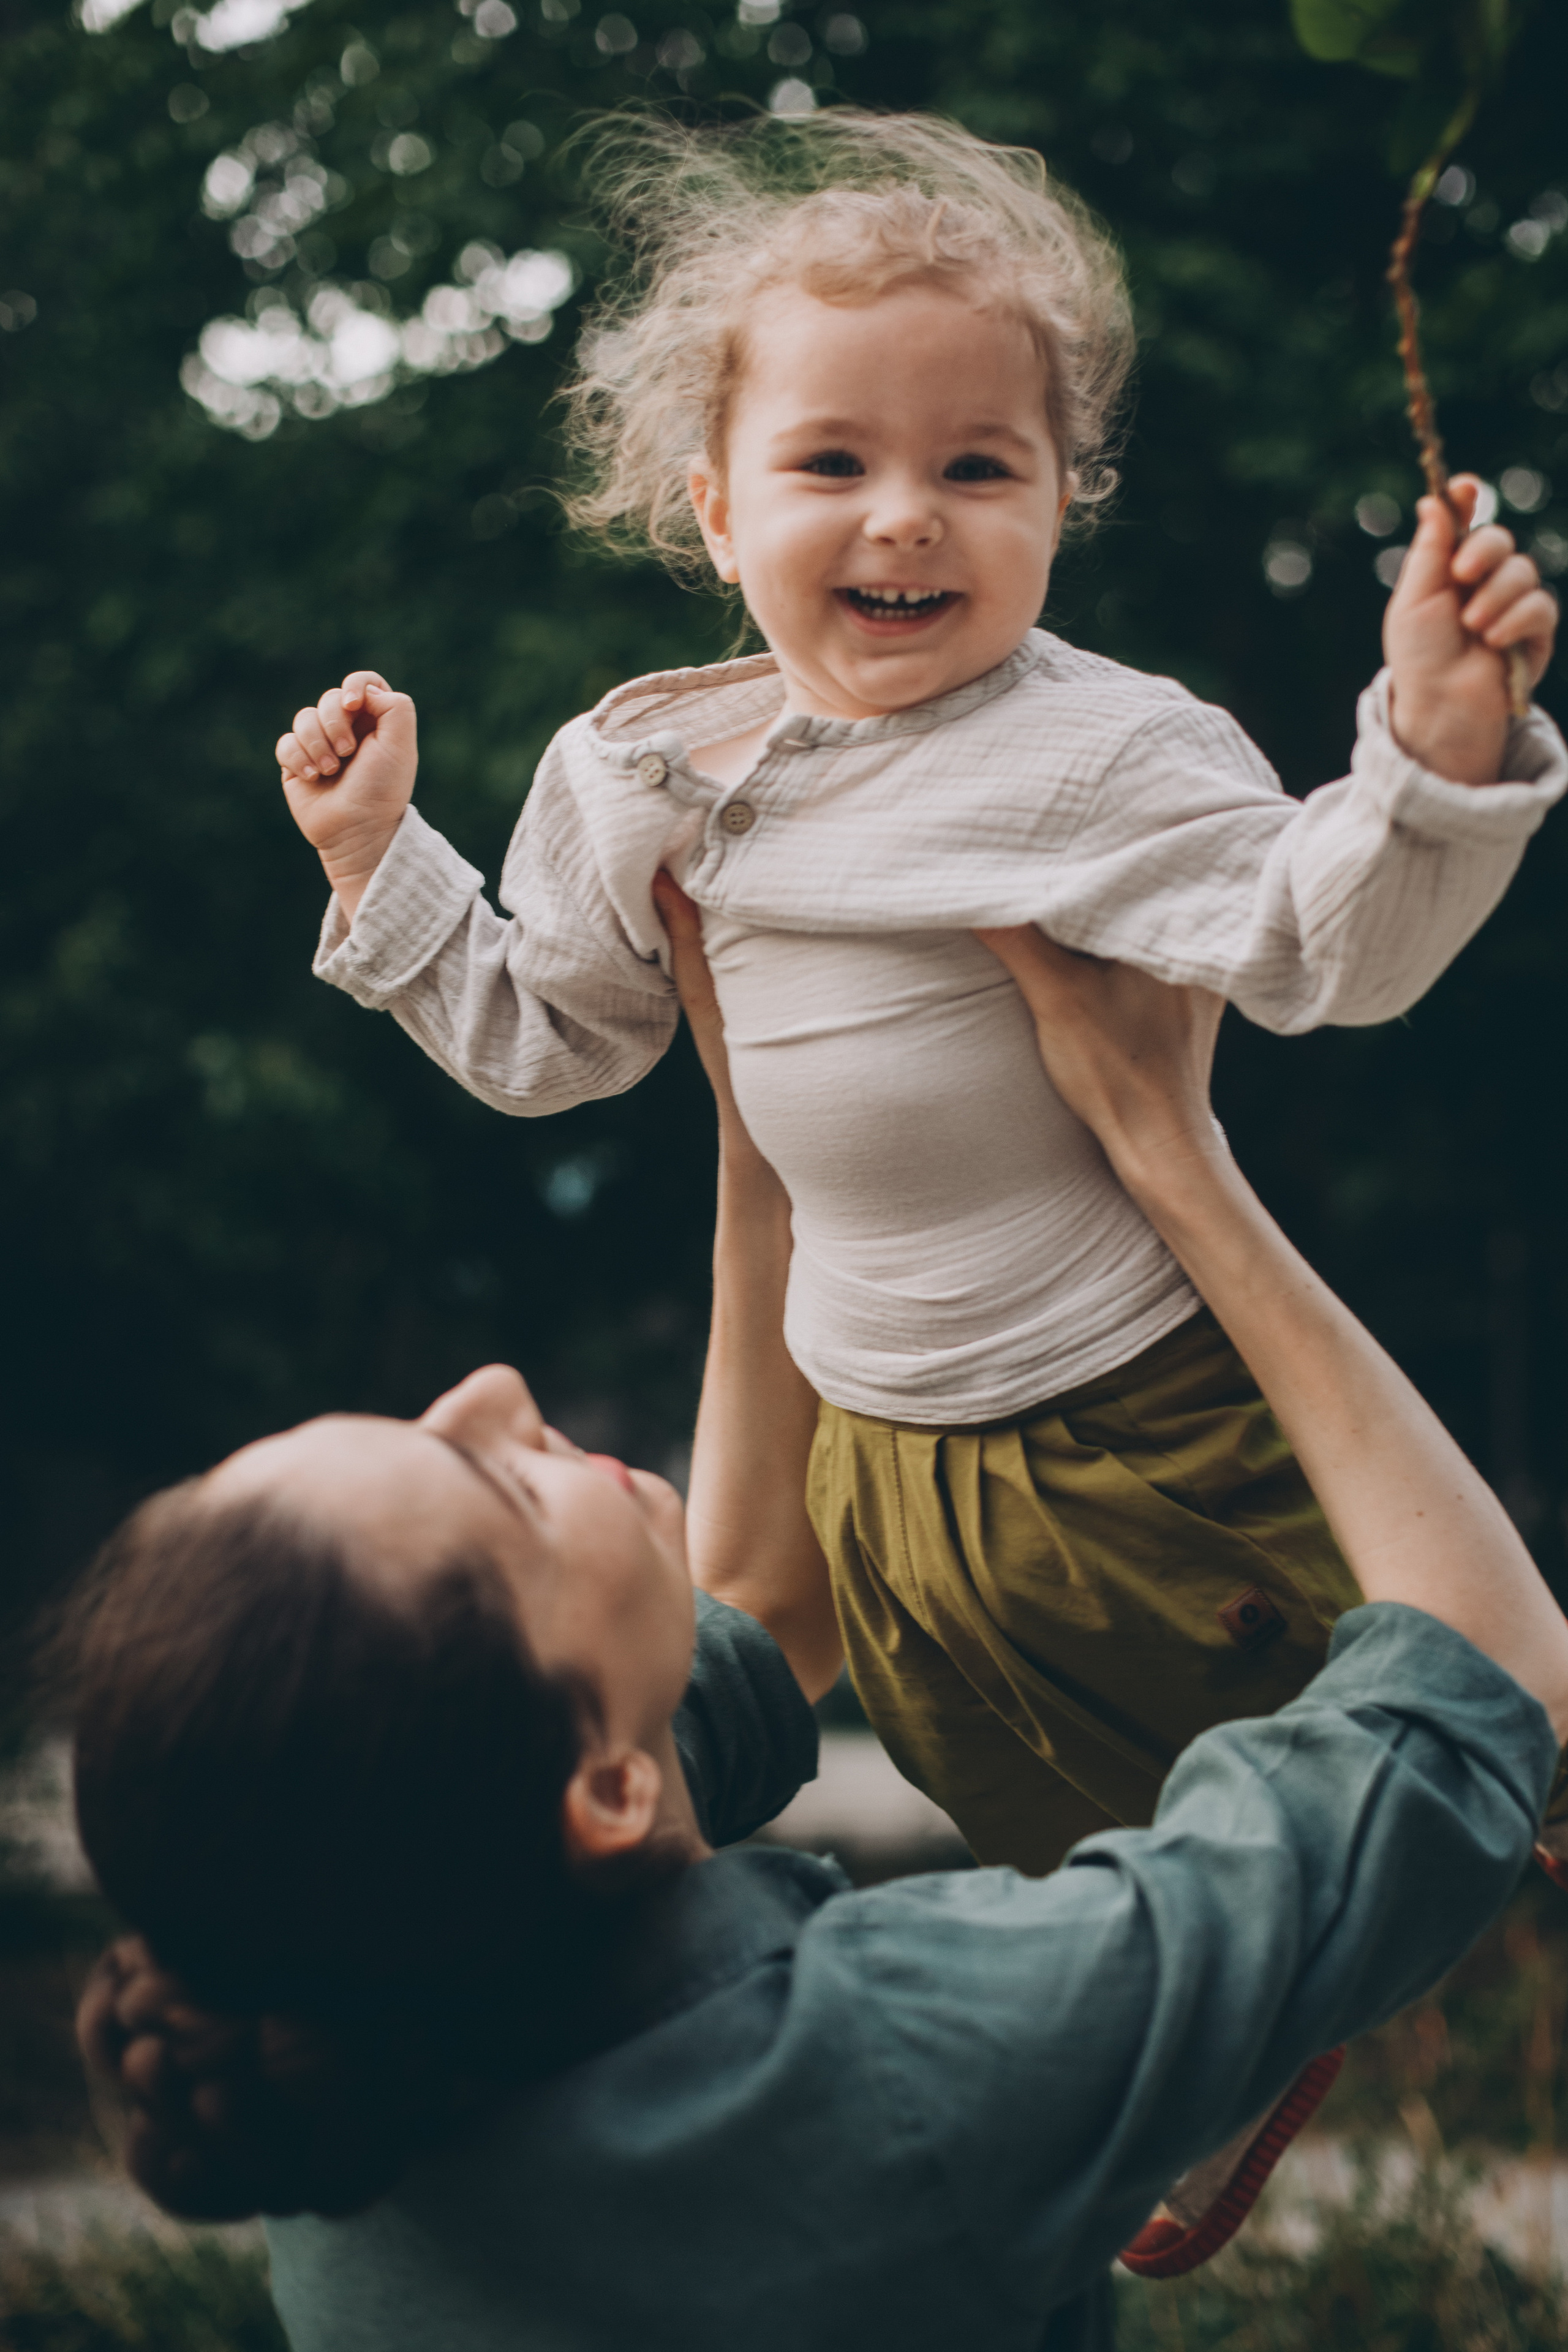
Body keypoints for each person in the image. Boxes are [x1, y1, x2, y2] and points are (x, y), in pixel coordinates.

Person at [272, 110, 1566, 1891]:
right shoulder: (636, 769)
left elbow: (1331, 946)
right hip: (872, 1469)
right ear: (717, 508)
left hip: (1143, 1432)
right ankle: (1170, 2118)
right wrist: (379, 858)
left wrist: (1435, 745)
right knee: (1082, 1862)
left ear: (1057, 504)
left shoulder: (1107, 753)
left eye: (978, 467)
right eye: (830, 463)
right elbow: (552, 1043)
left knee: (1441, 1783)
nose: (906, 515)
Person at [72, 887, 1568, 2351]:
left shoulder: (339, 2034)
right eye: (493, 1490)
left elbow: (760, 1613)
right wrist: (1168, 1148)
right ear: (606, 1789)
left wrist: (772, 1125)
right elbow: (1486, 1675)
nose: (497, 1394)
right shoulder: (910, 2073)